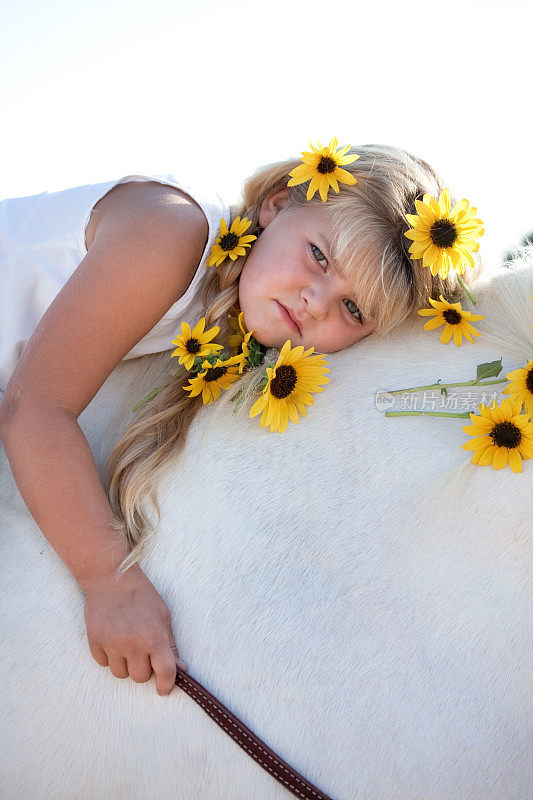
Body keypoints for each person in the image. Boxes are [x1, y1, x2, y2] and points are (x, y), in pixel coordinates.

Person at [0, 142, 482, 698]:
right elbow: (34, 409)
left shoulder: (234, 323)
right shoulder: (171, 234)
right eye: (320, 258)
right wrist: (110, 584)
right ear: (276, 204)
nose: (315, 303)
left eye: (353, 309)